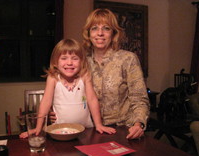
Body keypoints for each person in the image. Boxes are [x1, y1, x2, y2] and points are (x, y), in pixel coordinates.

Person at [50, 8, 150, 140]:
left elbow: (139, 99)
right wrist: (56, 111)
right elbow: (65, 90)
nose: (100, 33)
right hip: (88, 131)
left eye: (106, 28)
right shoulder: (79, 61)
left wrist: (138, 124)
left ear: (113, 33)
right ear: (88, 33)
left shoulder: (128, 59)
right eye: (94, 28)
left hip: (123, 130)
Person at [20, 38, 116, 138]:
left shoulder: (85, 76)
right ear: (55, 62)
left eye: (75, 58)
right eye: (64, 58)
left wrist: (99, 125)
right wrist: (38, 128)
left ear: (82, 62)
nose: (69, 62)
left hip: (85, 131)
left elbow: (92, 100)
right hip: (59, 131)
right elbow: (46, 102)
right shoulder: (53, 78)